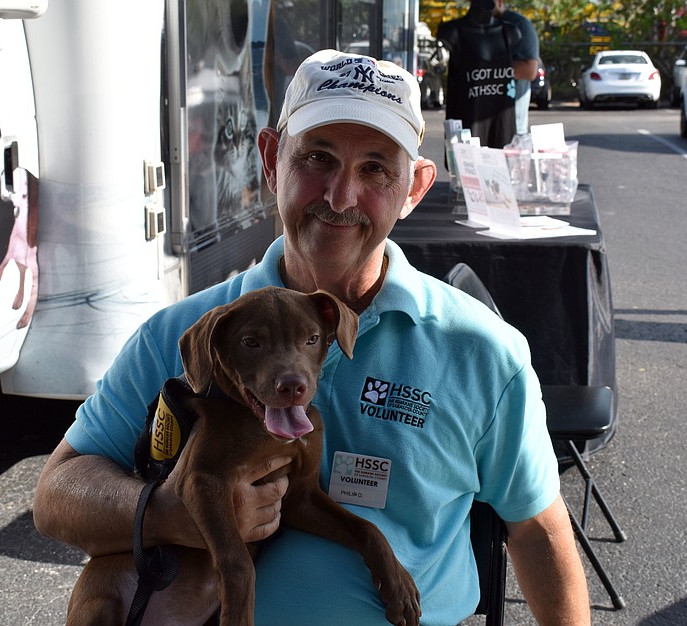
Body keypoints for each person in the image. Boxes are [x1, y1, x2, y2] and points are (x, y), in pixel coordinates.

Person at [34, 49, 590, 625]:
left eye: (376, 168)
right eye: (317, 158)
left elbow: (537, 530)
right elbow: (56, 497)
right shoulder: (182, 334)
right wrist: (167, 513)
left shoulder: (480, 351)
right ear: (272, 160)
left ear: (414, 187)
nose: (340, 196)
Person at [437, 0, 537, 147]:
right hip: (466, 130)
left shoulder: (513, 30)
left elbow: (530, 71)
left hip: (505, 127)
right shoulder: (452, 31)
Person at [495, 0, 540, 135]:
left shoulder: (519, 25)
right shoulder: (470, 26)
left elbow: (529, 70)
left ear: (499, 2)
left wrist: (485, 66)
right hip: (475, 122)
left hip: (511, 126)